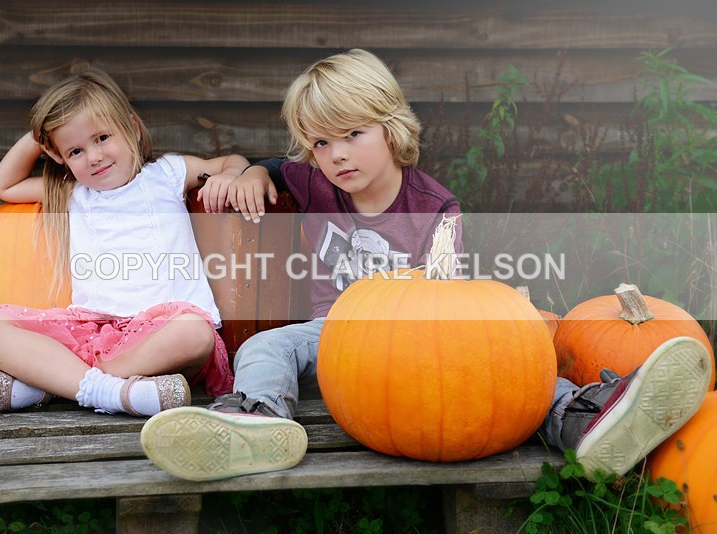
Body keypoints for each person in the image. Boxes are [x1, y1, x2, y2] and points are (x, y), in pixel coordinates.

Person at [140, 49, 713, 481]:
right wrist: (250, 172)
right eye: (319, 143)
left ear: (391, 128)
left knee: (508, 365)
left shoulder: (434, 207)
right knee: (263, 348)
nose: (336, 154)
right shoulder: (313, 182)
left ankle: (584, 418)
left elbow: (445, 293)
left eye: (352, 135)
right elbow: (262, 160)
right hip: (334, 338)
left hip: (415, 344)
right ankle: (259, 423)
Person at [0, 67, 249, 417]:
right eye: (75, 151)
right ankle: (114, 393)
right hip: (90, 330)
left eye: (101, 138)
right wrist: (42, 138)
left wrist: (232, 175)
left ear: (130, 126)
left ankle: (58, 384)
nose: (94, 156)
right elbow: (2, 186)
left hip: (159, 335)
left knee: (196, 333)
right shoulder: (72, 193)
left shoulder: (168, 174)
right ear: (58, 157)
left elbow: (232, 160)